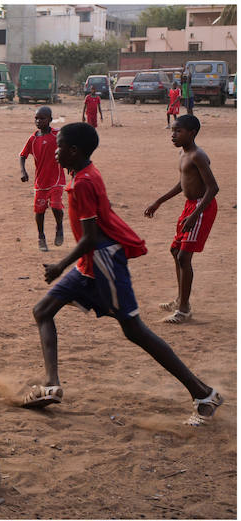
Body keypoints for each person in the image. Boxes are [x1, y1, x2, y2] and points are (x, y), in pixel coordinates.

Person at [22, 122, 222, 426]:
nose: (56, 152)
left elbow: (91, 237)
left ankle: (203, 393)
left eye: (60, 147)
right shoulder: (82, 174)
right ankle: (52, 385)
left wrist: (59, 266)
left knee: (135, 330)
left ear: (74, 152)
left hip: (104, 263)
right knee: (43, 310)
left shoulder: (84, 183)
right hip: (88, 265)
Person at [143, 114, 218, 324]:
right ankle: (180, 299)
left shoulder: (197, 155)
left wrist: (195, 215)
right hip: (190, 207)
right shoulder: (183, 154)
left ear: (191, 133)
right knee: (175, 251)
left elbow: (213, 188)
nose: (173, 135)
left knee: (184, 257)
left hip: (202, 207)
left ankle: (184, 310)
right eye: (172, 131)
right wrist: (159, 201)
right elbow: (183, 183)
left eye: (178, 131)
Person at [20, 106, 66, 251]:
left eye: (42, 118)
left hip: (57, 179)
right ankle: (41, 237)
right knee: (39, 211)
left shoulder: (57, 134)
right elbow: (22, 155)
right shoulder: (33, 139)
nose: (38, 121)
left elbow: (69, 146)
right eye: (36, 118)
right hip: (41, 182)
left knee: (56, 206)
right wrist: (23, 171)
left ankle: (59, 227)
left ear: (50, 120)